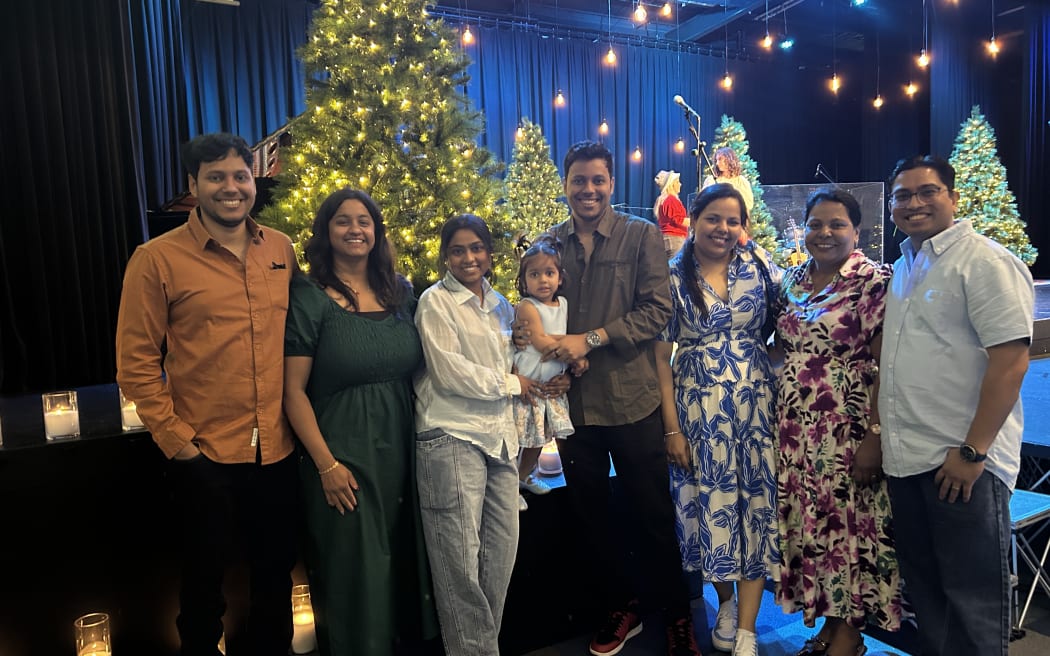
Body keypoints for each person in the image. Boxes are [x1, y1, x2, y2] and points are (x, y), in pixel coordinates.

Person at [116, 132, 298, 656]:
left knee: (274, 583)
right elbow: (136, 366)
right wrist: (181, 446)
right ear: (193, 185)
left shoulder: (280, 248)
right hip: (205, 455)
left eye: (240, 176)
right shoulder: (156, 260)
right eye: (215, 177)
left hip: (277, 453)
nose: (231, 188)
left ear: (253, 182)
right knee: (202, 592)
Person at [538, 141, 701, 656]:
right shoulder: (548, 246)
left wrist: (590, 340)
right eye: (578, 180)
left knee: (652, 516)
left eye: (598, 180)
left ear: (611, 184)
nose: (588, 190)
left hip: (633, 400)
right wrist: (548, 361)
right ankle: (621, 605)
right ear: (565, 185)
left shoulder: (640, 236)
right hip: (576, 409)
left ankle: (677, 616)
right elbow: (535, 318)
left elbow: (657, 312)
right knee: (591, 519)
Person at [879, 156, 1033, 655]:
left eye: (927, 192)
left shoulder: (984, 261)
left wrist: (972, 452)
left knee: (973, 607)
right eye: (902, 195)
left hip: (960, 463)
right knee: (929, 601)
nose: (914, 203)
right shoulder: (906, 265)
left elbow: (1010, 364)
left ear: (953, 197)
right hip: (908, 460)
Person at [282, 188, 439, 655]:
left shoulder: (403, 291)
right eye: (343, 221)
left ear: (377, 230)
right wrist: (327, 466)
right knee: (358, 574)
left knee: (407, 567)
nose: (355, 229)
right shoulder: (308, 298)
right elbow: (292, 392)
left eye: (364, 221)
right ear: (326, 233)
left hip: (406, 448)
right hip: (343, 456)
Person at [774, 188, 902, 656]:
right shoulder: (792, 278)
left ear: (857, 230)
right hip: (794, 429)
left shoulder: (872, 283)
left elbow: (886, 366)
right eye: (815, 224)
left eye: (836, 225)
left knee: (849, 527)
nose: (824, 233)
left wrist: (875, 436)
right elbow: (781, 346)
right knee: (814, 526)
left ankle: (850, 633)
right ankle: (829, 623)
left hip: (846, 428)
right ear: (803, 229)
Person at [655, 183, 780, 656]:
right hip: (697, 412)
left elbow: (789, 322)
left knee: (754, 507)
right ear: (694, 219)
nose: (722, 229)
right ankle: (723, 601)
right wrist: (672, 427)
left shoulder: (761, 266)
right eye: (713, 218)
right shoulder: (671, 275)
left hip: (754, 410)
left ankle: (746, 629)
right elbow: (659, 356)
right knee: (709, 508)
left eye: (732, 220)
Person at [413, 214, 542, 655]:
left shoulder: (502, 304)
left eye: (476, 248)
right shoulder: (434, 302)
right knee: (460, 562)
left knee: (501, 553)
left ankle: (481, 647)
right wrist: (511, 384)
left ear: (488, 253)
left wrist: (538, 368)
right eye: (458, 250)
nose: (469, 257)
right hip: (451, 435)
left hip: (499, 437)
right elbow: (449, 373)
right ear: (446, 255)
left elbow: (512, 364)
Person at [512, 235, 584, 510]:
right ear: (524, 280)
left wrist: (573, 356)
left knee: (541, 437)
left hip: (551, 386)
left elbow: (560, 338)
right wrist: (575, 351)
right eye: (535, 274)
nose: (543, 280)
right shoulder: (527, 306)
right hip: (530, 382)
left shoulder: (563, 305)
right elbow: (540, 341)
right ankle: (509, 487)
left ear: (560, 278)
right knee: (521, 437)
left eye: (549, 273)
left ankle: (524, 475)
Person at [702, 147, 754, 215]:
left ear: (729, 160)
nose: (717, 163)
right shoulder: (711, 180)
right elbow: (702, 201)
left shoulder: (741, 181)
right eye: (716, 160)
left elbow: (749, 204)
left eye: (720, 159)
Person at [655, 169, 689, 258]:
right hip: (675, 239)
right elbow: (678, 220)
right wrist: (697, 221)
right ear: (672, 184)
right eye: (678, 182)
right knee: (675, 269)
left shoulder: (664, 200)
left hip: (668, 239)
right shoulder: (671, 200)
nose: (680, 184)